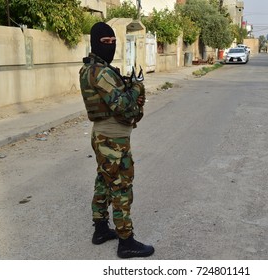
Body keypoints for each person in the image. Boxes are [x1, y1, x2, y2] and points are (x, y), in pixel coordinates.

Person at [79, 22, 154, 258]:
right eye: (106, 42)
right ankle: (126, 242)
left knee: (103, 180)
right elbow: (122, 106)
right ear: (95, 43)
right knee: (121, 186)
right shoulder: (101, 72)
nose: (111, 46)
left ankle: (100, 229)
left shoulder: (93, 68)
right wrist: (136, 87)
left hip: (105, 136)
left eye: (113, 42)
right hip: (112, 138)